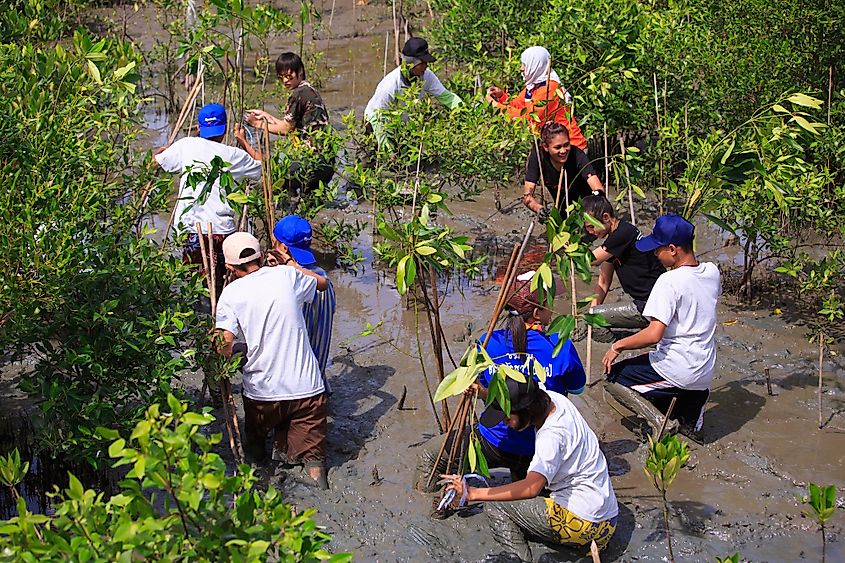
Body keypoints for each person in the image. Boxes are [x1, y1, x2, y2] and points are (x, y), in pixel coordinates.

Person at [415, 272, 585, 491]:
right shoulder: (560, 345)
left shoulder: (488, 343)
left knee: (430, 455)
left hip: (495, 442)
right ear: (536, 312)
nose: (553, 307)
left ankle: (433, 503)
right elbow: (578, 388)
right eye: (549, 302)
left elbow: (475, 387)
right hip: (542, 449)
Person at [441, 377, 619, 560]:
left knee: (496, 506)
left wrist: (472, 493)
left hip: (584, 524)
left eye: (508, 418)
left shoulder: (551, 437)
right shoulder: (552, 399)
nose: (505, 423)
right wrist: (484, 392)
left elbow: (531, 488)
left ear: (526, 412)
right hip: (609, 519)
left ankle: (518, 557)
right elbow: (518, 396)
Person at [214, 232, 331, 489]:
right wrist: (291, 266)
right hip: (308, 390)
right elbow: (321, 284)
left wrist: (238, 348)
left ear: (230, 267)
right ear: (261, 256)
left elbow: (223, 346)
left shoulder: (230, 294)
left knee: (255, 444)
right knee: (313, 458)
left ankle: (260, 475)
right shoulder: (287, 276)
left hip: (262, 395)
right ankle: (317, 481)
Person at [602, 214, 721, 437]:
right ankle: (686, 407)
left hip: (677, 367)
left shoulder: (668, 281)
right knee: (688, 429)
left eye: (658, 248)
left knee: (612, 379)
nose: (655, 254)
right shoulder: (712, 272)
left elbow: (654, 334)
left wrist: (617, 346)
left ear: (673, 249)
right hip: (704, 373)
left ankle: (660, 423)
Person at [154, 103, 262, 298]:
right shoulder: (234, 154)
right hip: (222, 232)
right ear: (225, 128)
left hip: (192, 231)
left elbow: (158, 161)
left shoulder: (186, 145)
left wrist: (164, 149)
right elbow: (264, 168)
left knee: (195, 289)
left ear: (199, 127)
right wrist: (243, 141)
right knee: (223, 290)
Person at [575, 194, 666, 342]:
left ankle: (623, 343)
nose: (591, 232)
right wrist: (592, 310)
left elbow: (591, 260)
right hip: (648, 301)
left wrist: (568, 248)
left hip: (650, 304)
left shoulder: (623, 233)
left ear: (606, 217)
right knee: (593, 316)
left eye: (592, 226)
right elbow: (604, 282)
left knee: (595, 319)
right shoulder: (615, 240)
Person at [245, 52, 335, 194]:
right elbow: (292, 126)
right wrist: (266, 116)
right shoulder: (310, 91)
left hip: (311, 161)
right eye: (282, 78)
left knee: (275, 183)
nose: (286, 81)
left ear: (300, 72)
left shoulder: (298, 94)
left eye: (289, 76)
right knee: (312, 201)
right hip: (327, 162)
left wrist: (257, 124)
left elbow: (286, 129)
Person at [272, 216, 336, 394]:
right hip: (318, 374)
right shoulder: (324, 278)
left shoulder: (286, 281)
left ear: (283, 248)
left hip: (296, 383)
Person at [364, 37, 462, 150]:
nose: (426, 66)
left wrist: (469, 112)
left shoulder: (426, 76)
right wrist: (388, 150)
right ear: (410, 63)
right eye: (422, 63)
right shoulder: (390, 85)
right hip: (375, 124)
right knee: (372, 162)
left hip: (402, 126)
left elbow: (448, 98)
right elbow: (378, 118)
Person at [486, 46, 587, 150]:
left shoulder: (549, 88)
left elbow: (529, 117)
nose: (521, 68)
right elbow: (518, 104)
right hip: (556, 147)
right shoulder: (534, 86)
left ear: (536, 65)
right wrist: (501, 96)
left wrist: (495, 106)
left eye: (525, 64)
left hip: (570, 147)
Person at [522, 122, 604, 220]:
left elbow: (596, 185)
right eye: (557, 147)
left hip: (586, 206)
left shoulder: (576, 155)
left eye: (566, 145)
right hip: (562, 208)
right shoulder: (539, 158)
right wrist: (539, 209)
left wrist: (597, 200)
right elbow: (527, 196)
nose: (563, 151)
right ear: (545, 147)